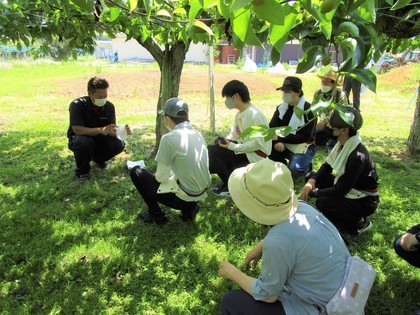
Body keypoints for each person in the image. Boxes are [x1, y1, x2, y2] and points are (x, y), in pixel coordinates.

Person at [218, 158, 350, 315]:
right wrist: (263, 244)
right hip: (347, 286)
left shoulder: (278, 241)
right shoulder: (303, 208)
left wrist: (232, 273)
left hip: (323, 308)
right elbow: (298, 239)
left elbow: (268, 295)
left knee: (232, 301)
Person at [130, 97, 211, 225]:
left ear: (167, 119)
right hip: (200, 193)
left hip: (184, 197)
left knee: (136, 172)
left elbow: (161, 178)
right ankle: (189, 210)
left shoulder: (169, 139)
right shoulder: (197, 134)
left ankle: (156, 215)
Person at [300, 107, 379, 236]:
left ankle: (359, 222)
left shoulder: (357, 157)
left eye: (332, 127)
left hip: (364, 200)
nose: (329, 129)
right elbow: (327, 167)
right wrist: (311, 181)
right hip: (347, 187)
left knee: (323, 202)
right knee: (311, 176)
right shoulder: (343, 143)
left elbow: (339, 191)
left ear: (344, 130)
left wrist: (314, 192)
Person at [208, 80, 271, 197]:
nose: (226, 101)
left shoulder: (254, 114)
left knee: (212, 152)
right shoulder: (240, 114)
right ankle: (230, 183)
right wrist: (224, 141)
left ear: (236, 96)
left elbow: (258, 143)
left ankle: (230, 185)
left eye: (227, 97)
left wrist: (232, 146)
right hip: (245, 151)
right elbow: (234, 135)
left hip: (255, 156)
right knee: (213, 151)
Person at [67, 76, 131, 179]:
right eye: (100, 97)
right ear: (90, 94)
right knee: (83, 143)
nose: (103, 99)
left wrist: (122, 132)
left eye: (105, 96)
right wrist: (101, 130)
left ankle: (99, 159)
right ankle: (82, 172)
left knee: (119, 144)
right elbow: (77, 130)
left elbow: (111, 129)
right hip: (80, 138)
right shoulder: (77, 105)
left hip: (100, 138)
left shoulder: (109, 107)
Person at [268, 76, 316, 178]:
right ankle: (282, 165)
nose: (284, 94)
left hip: (303, 146)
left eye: (288, 91)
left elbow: (305, 136)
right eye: (283, 91)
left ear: (298, 93)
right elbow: (271, 127)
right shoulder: (281, 108)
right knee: (265, 151)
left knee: (294, 170)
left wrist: (279, 138)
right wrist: (278, 141)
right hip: (282, 145)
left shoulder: (308, 110)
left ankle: (306, 166)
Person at [314, 70, 349, 152]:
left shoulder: (340, 95)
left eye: (326, 82)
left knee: (333, 135)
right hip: (322, 124)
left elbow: (341, 114)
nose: (323, 84)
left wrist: (325, 121)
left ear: (333, 84)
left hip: (336, 125)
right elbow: (314, 109)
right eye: (322, 82)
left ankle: (333, 142)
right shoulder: (318, 93)